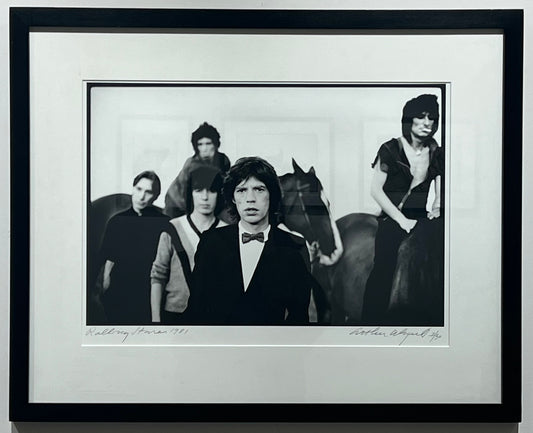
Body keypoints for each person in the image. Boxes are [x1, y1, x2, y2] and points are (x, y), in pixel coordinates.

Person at [189, 156, 312, 325]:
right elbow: (196, 311)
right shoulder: (211, 242)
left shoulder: (295, 246)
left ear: (272, 195)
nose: (250, 199)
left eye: (259, 189)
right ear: (233, 197)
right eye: (241, 190)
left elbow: (299, 320)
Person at [361, 94, 444, 324]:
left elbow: (440, 184)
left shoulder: (437, 151)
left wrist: (438, 206)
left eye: (432, 118)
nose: (427, 122)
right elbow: (375, 190)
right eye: (421, 116)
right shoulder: (390, 148)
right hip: (392, 219)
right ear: (409, 120)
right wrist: (401, 220)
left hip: (421, 220)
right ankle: (370, 323)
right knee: (384, 268)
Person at [150, 166, 226, 324]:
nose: (205, 197)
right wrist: (155, 321)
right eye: (198, 190)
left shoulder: (227, 231)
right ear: (190, 193)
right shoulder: (172, 228)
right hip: (174, 316)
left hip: (214, 317)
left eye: (212, 190)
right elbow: (158, 276)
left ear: (219, 194)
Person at [100, 170, 169, 324]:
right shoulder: (116, 221)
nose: (141, 196)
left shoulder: (164, 223)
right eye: (138, 189)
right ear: (132, 188)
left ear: (156, 196)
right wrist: (105, 287)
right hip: (120, 291)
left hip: (150, 291)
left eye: (148, 192)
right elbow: (109, 259)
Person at [164, 122, 231, 218]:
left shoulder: (223, 160)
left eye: (208, 143)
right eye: (200, 144)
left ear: (216, 144)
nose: (204, 149)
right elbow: (186, 195)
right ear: (196, 146)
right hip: (177, 205)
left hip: (209, 202)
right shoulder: (191, 164)